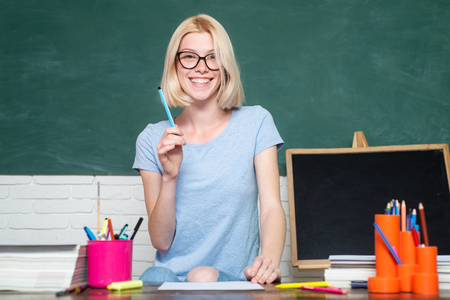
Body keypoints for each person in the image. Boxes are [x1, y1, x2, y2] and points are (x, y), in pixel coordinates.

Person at [133, 14, 285, 284]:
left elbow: (272, 208)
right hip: (169, 281)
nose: (201, 67)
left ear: (225, 66)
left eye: (212, 57)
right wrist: (170, 176)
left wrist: (268, 262)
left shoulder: (256, 123)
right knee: (154, 274)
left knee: (202, 275)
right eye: (189, 56)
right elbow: (161, 240)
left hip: (231, 280)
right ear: (175, 65)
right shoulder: (152, 139)